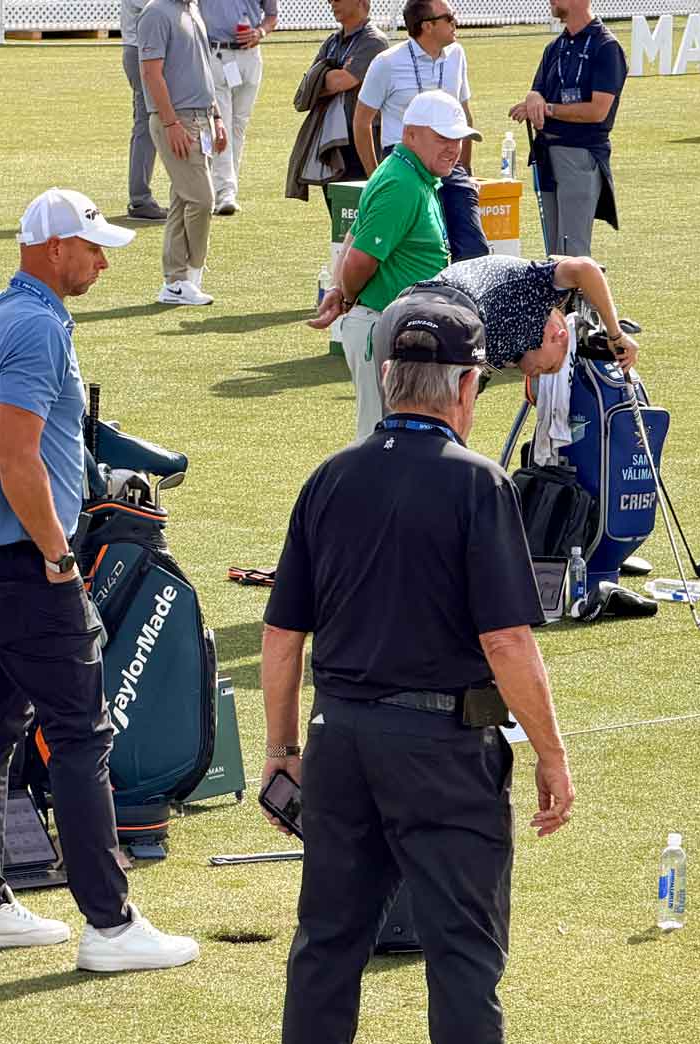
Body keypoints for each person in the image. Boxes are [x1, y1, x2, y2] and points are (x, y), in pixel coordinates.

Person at [0, 189, 202, 971]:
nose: (103, 262)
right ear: (53, 248)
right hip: (24, 567)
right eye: (92, 248)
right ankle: (110, 924)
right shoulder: (34, 327)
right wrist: (59, 556)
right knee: (80, 733)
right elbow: (16, 456)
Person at [264, 291, 575, 1044]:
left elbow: (281, 635)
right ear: (467, 385)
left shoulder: (330, 477)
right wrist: (551, 751)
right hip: (442, 752)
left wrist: (283, 748)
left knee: (327, 946)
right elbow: (508, 643)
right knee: (463, 952)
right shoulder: (477, 483)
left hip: (339, 740)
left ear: (386, 375)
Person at [309, 90, 472, 438]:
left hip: (393, 327)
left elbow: (355, 233)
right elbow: (360, 257)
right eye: (443, 138)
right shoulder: (402, 184)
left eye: (458, 139)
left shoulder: (409, 175)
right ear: (411, 134)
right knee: (379, 438)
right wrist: (347, 296)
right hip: (382, 328)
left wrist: (339, 290)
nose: (454, 148)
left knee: (398, 438)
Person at [355, 0, 490, 261]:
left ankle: (468, 280)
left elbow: (465, 115)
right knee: (416, 242)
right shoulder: (387, 63)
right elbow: (362, 121)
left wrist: (466, 171)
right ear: (428, 26)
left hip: (446, 158)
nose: (456, 22)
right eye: (449, 17)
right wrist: (375, 177)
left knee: (473, 242)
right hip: (402, 158)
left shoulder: (457, 55)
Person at [511, 0, 627, 257]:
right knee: (554, 251)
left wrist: (548, 109)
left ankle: (585, 287)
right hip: (546, 154)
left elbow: (598, 111)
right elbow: (537, 91)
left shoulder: (606, 47)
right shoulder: (555, 47)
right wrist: (532, 98)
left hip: (579, 154)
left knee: (572, 251)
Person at [415, 253, 639, 382]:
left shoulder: (506, 348)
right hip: (450, 313)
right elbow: (585, 268)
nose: (539, 376)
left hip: (409, 306)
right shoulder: (537, 287)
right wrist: (616, 335)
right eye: (550, 367)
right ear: (557, 336)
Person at [138, 0, 227, 306]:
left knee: (183, 199)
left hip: (200, 118)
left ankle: (177, 281)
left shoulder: (192, 10)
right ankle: (187, 275)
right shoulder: (156, 12)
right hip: (179, 120)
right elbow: (151, 73)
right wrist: (170, 123)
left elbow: (202, 69)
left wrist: (216, 117)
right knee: (202, 199)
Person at [301, 0, 391, 186]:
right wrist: (330, 76)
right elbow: (308, 84)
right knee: (337, 199)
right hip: (332, 136)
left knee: (362, 196)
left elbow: (343, 81)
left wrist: (324, 75)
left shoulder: (373, 41)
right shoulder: (332, 41)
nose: (332, 3)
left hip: (363, 134)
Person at [203, 0, 277, 216]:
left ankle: (225, 188)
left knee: (238, 127)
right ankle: (225, 191)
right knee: (221, 125)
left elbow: (272, 16)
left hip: (250, 57)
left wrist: (260, 32)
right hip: (217, 54)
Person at [118, 0, 166, 222]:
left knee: (148, 124)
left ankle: (141, 198)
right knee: (146, 126)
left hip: (147, 48)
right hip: (142, 50)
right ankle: (140, 199)